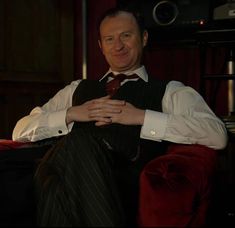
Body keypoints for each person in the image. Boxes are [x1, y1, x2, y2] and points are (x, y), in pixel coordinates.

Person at [12, 6, 227, 227]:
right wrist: (72, 113)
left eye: (126, 35)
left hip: (118, 188)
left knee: (53, 180)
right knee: (72, 149)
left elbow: (217, 134)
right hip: (79, 182)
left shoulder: (171, 91)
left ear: (143, 38)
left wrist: (142, 117)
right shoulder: (76, 89)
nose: (118, 46)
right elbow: (20, 130)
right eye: (109, 39)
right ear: (100, 47)